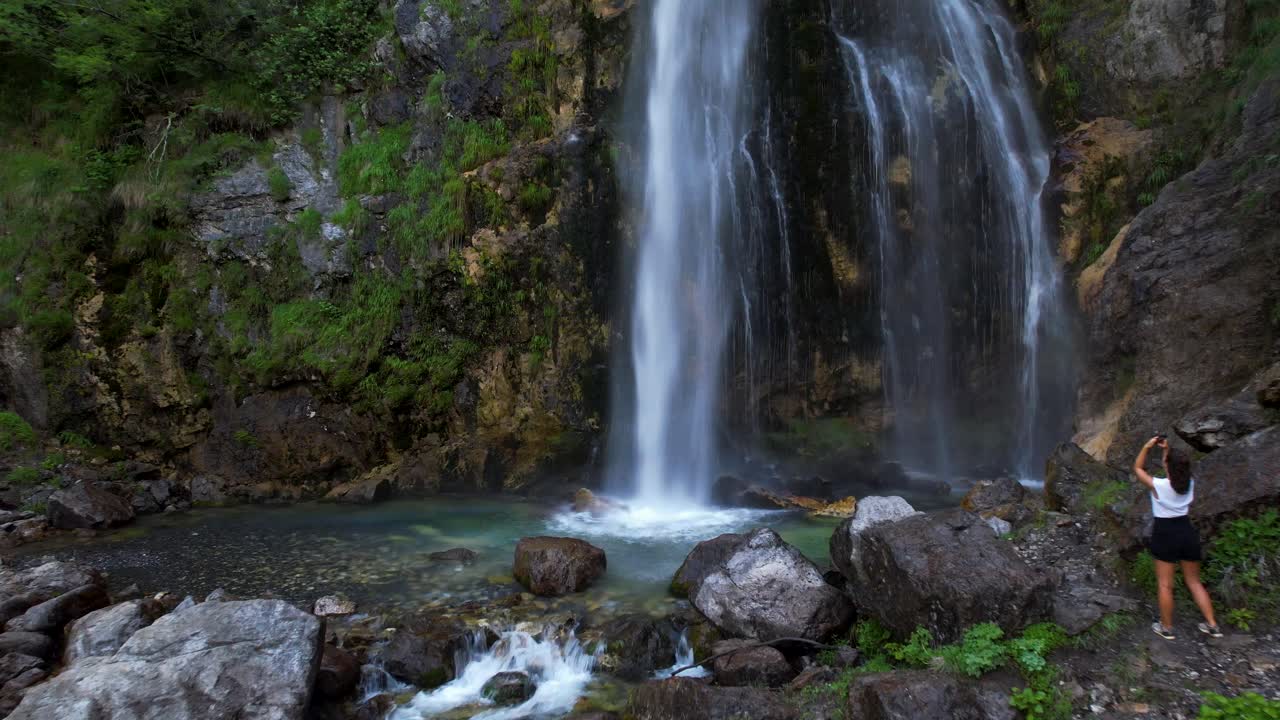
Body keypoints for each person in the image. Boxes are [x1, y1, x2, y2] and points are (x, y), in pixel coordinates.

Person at [1132, 435, 1222, 640]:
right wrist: (1167, 451)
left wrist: (1146, 447)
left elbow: (1138, 469)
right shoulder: (1189, 484)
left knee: (1165, 585)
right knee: (1194, 582)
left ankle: (1167, 627)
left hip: (1165, 534)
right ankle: (1212, 624)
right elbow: (1174, 469)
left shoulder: (1160, 486)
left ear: (1168, 467)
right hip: (1187, 532)